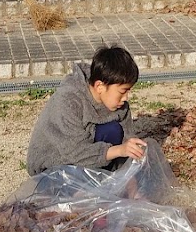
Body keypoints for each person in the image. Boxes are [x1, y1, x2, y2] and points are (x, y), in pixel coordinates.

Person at [26, 44, 148, 174]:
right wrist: (119, 150)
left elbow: (127, 139)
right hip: (53, 165)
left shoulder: (119, 105)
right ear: (100, 86)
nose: (125, 98)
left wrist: (130, 159)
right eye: (122, 91)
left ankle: (100, 178)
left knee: (113, 130)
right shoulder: (69, 101)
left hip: (89, 161)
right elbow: (74, 152)